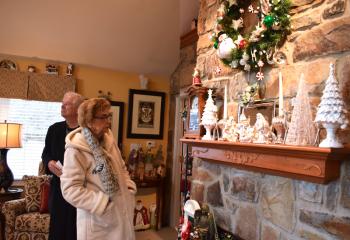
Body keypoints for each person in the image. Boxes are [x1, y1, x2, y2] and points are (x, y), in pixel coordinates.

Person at [60, 98, 137, 240]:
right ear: (89, 121)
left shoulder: (109, 141)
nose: (108, 121)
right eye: (103, 117)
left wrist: (129, 188)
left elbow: (122, 167)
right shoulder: (75, 149)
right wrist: (101, 204)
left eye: (109, 116)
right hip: (98, 222)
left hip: (122, 212)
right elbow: (69, 189)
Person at [41, 91, 84, 240]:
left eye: (67, 104)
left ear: (78, 109)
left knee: (75, 229)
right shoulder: (54, 129)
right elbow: (46, 153)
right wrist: (49, 162)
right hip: (58, 189)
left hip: (79, 189)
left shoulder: (87, 132)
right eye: (62, 103)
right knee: (57, 230)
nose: (62, 106)